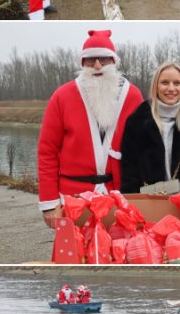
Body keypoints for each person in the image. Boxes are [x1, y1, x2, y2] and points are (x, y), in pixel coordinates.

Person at [38, 30, 144, 227]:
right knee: (75, 255)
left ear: (114, 62)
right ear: (82, 63)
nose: (97, 66)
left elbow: (144, 149)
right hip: (73, 197)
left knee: (119, 254)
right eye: (90, 60)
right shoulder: (62, 96)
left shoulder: (133, 96)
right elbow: (47, 152)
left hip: (120, 196)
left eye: (104, 59)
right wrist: (49, 204)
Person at [120, 61, 180, 195]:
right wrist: (133, 200)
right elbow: (129, 169)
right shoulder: (137, 121)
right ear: (156, 86)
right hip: (147, 202)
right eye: (165, 83)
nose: (171, 88)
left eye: (177, 83)